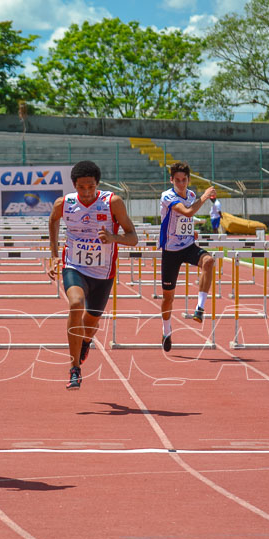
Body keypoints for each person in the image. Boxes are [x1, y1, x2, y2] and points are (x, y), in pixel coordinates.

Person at [47, 160, 138, 390]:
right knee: (76, 304)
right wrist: (54, 254)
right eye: (81, 188)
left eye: (91, 187)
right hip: (74, 266)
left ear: (98, 184)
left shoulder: (112, 203)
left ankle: (86, 341)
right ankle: (74, 367)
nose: (86, 193)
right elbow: (52, 221)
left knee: (91, 323)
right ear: (74, 186)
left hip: (103, 272)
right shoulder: (64, 204)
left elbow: (132, 237)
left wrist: (113, 237)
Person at [159, 162, 218, 352]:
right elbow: (187, 211)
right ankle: (166, 331)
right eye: (177, 180)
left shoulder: (191, 195)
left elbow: (187, 219)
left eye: (184, 180)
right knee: (168, 298)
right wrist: (205, 196)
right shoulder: (167, 196)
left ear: (188, 180)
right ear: (171, 180)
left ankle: (200, 308)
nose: (181, 183)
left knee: (208, 261)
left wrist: (190, 231)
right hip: (170, 251)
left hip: (187, 246)